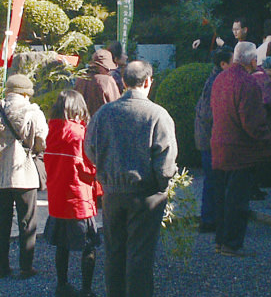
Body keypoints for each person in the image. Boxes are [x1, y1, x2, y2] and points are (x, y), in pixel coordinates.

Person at [84, 61, 178, 297]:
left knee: (114, 252)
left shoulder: (104, 113)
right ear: (148, 82)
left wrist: (106, 170)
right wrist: (163, 184)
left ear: (123, 82)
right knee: (140, 256)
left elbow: (90, 148)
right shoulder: (158, 114)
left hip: (112, 192)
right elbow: (166, 159)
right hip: (146, 193)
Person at [210, 41, 271, 257]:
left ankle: (220, 241)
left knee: (222, 199)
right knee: (237, 200)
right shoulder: (248, 83)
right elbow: (253, 124)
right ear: (253, 61)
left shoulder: (220, 78)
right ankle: (232, 244)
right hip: (239, 151)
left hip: (218, 145)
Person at [44, 90, 100, 297]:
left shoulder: (52, 131)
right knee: (89, 246)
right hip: (79, 198)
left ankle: (62, 285)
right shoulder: (81, 134)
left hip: (57, 196)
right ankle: (86, 289)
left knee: (62, 244)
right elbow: (88, 168)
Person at [0, 74, 48, 279]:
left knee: (2, 221)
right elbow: (41, 142)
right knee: (27, 221)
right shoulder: (33, 112)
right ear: (26, 93)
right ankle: (26, 267)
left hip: (1, 174)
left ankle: (2, 267)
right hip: (25, 173)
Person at [194, 46, 233, 233]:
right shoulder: (218, 81)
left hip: (206, 137)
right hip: (211, 138)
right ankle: (210, 219)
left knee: (213, 180)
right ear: (224, 64)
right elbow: (209, 113)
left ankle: (211, 218)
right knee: (213, 180)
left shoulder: (214, 78)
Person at [74, 49, 121, 117]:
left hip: (82, 124)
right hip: (102, 123)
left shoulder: (80, 79)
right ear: (102, 67)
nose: (109, 71)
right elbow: (117, 106)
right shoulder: (107, 81)